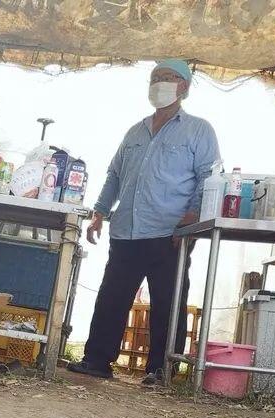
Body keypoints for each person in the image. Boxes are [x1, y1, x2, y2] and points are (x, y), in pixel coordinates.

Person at [68, 59, 221, 386]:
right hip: (126, 229)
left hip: (170, 232)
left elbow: (209, 176)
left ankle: (160, 369)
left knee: (168, 300)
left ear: (185, 88)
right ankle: (97, 360)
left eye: (169, 78)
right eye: (156, 78)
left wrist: (192, 217)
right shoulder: (135, 131)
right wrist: (100, 211)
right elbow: (114, 175)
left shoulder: (198, 129)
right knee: (111, 296)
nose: (161, 83)